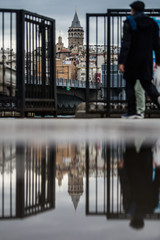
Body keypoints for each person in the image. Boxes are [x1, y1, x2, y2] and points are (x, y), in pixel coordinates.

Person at [118, 1, 160, 119]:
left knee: (130, 84)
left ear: (133, 10)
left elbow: (126, 43)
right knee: (147, 84)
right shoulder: (152, 23)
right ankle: (158, 100)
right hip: (146, 59)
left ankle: (132, 112)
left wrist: (122, 61)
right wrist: (158, 59)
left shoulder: (129, 22)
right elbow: (157, 43)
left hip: (132, 59)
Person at [118, 139, 160, 229]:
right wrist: (121, 170)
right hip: (131, 170)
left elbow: (156, 186)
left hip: (146, 170)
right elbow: (125, 188)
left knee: (147, 146)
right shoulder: (128, 209)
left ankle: (152, 128)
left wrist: (158, 171)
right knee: (129, 144)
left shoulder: (152, 207)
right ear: (133, 220)